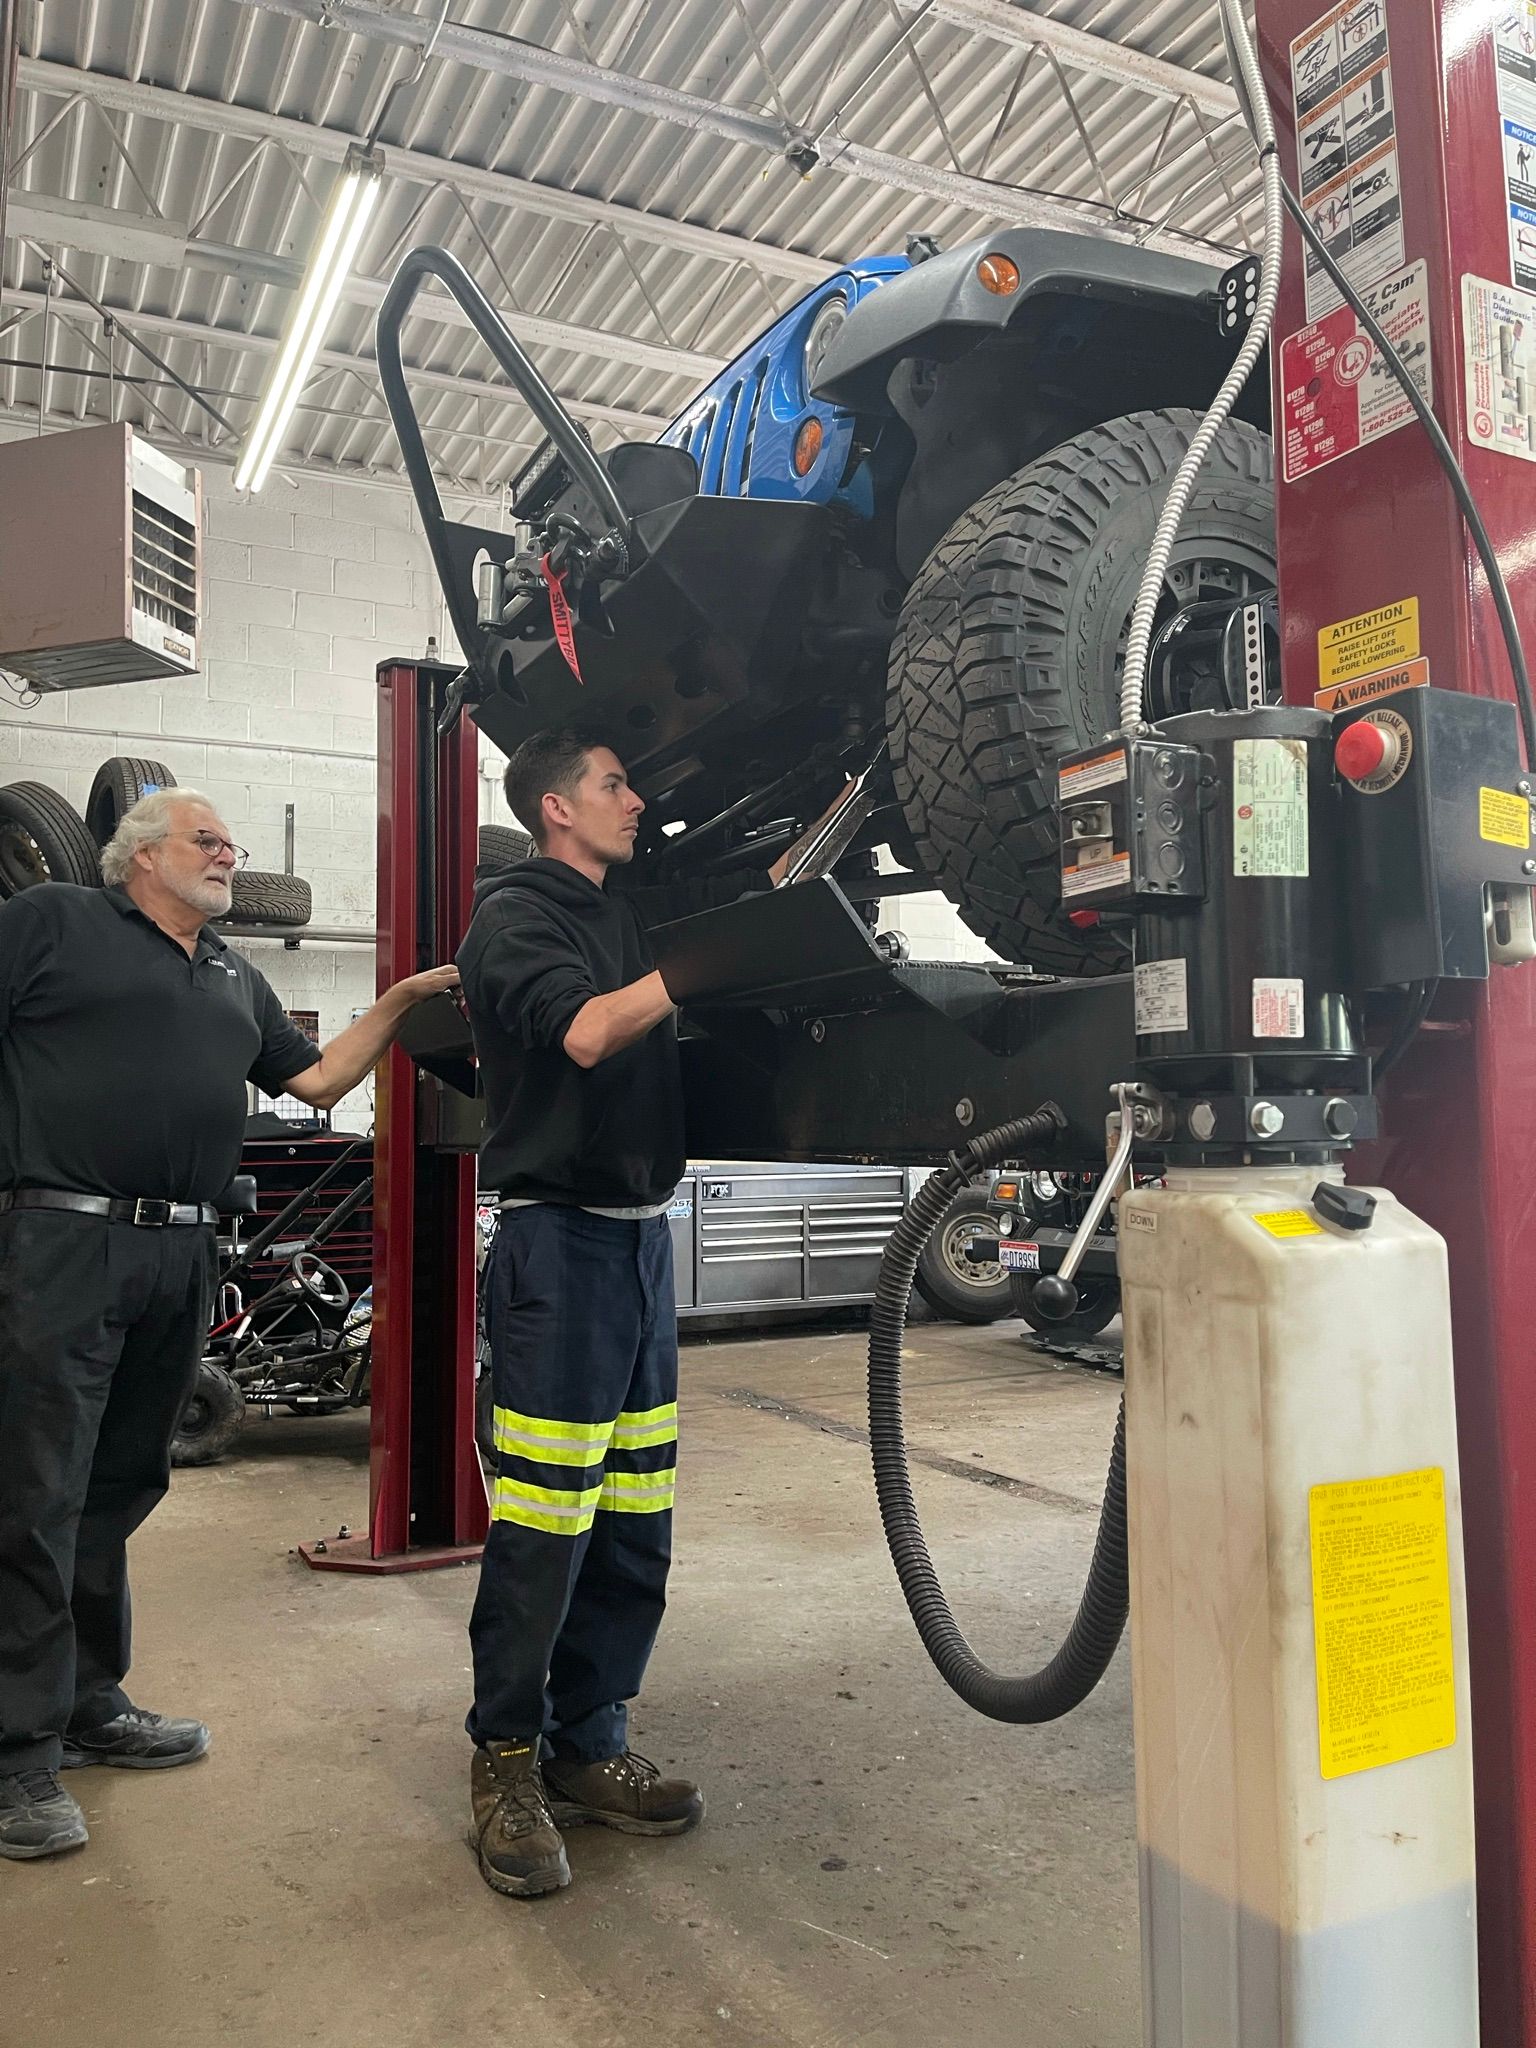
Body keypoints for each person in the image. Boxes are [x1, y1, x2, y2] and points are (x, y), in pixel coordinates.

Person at [0, 789, 458, 1862]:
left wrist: (393, 1002)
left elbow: (312, 1079)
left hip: (182, 1252)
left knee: (119, 1481)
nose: (228, 855)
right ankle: (15, 1751)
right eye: (206, 839)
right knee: (35, 1486)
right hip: (63, 1238)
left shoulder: (229, 973)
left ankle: (87, 1702)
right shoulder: (56, 922)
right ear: (139, 856)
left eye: (231, 843)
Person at [458, 725, 844, 1898]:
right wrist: (692, 968)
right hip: (558, 1245)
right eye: (616, 784)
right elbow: (583, 1032)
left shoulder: (624, 915)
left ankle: (593, 1742)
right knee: (544, 1515)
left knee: (633, 1508)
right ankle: (507, 1759)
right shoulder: (516, 916)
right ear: (555, 808)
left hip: (635, 1246)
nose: (636, 800)